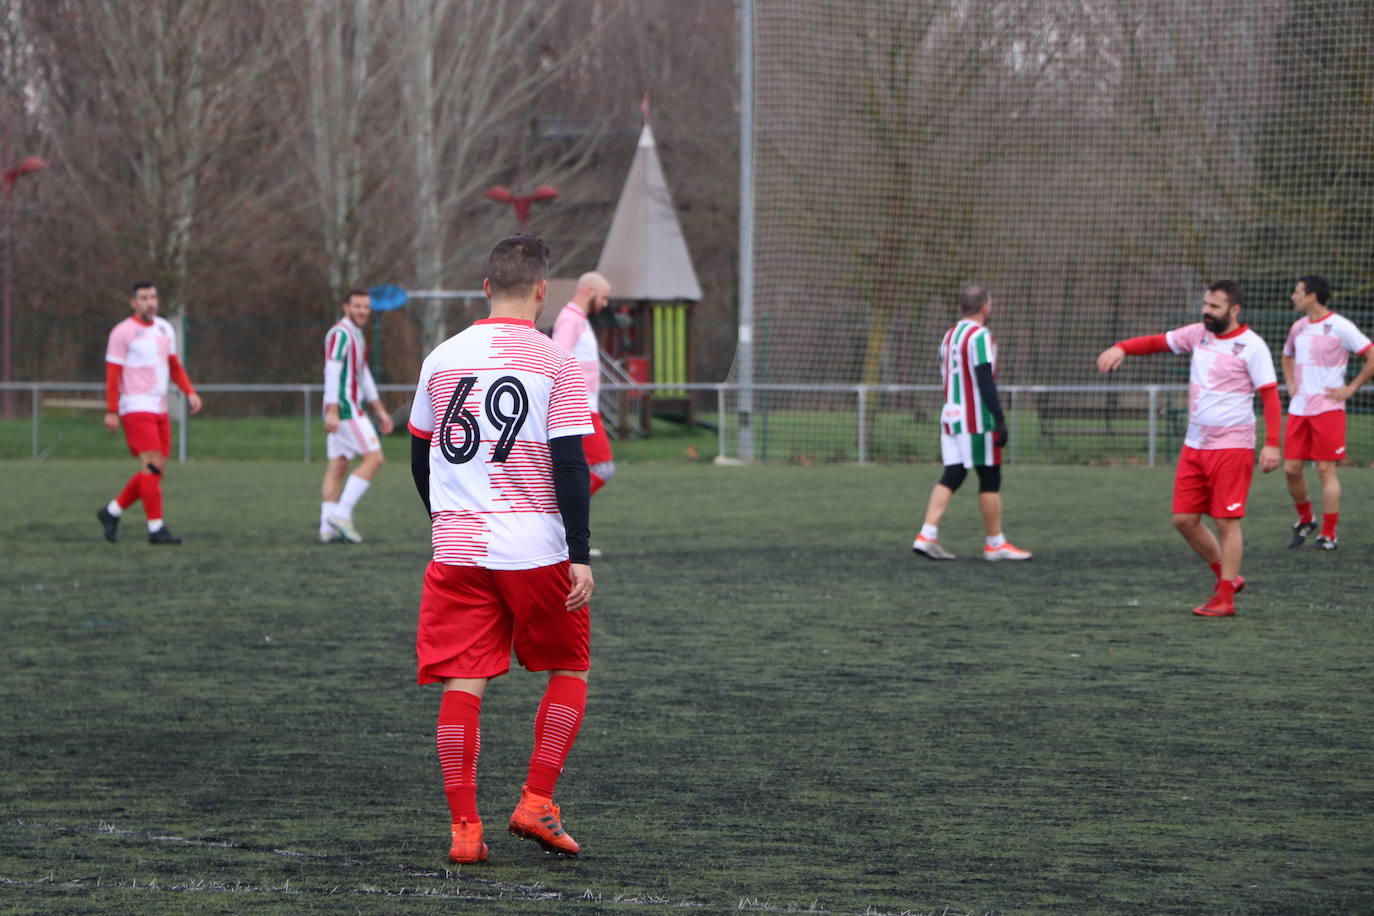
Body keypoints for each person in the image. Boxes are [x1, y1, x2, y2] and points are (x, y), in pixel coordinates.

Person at [407, 235, 595, 864]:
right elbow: (571, 465)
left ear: (485, 289)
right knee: (570, 669)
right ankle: (536, 800)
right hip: (534, 547)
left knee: (464, 680)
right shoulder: (555, 362)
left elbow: (419, 455)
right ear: (543, 291)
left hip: (457, 549)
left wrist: (445, 520)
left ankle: (465, 829)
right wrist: (580, 552)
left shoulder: (441, 357)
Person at [1096, 280, 1281, 617]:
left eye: (1214, 307)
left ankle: (1225, 598)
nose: (1206, 311)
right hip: (1195, 444)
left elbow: (1269, 394)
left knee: (1227, 522)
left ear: (1234, 310)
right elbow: (1157, 342)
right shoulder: (1198, 334)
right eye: (1205, 305)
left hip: (1232, 446)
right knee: (1184, 520)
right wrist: (1122, 347)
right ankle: (1227, 578)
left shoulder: (1252, 347)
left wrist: (1272, 443)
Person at [913, 284, 1032, 562]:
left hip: (950, 416)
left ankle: (926, 535)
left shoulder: (949, 335)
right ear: (985, 307)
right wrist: (999, 419)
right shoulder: (980, 336)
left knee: (954, 473)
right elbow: (983, 379)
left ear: (960, 308)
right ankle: (995, 544)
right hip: (975, 419)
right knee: (990, 476)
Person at [95, 282, 202, 544]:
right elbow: (113, 374)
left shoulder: (165, 327)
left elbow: (174, 365)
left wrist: (189, 391)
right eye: (143, 298)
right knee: (152, 464)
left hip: (160, 406)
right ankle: (156, 529)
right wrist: (112, 410)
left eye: (153, 296)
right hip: (135, 406)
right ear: (134, 302)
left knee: (156, 470)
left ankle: (112, 511)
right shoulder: (123, 332)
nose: (150, 302)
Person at [1280, 275, 1374, 551]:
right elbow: (1287, 355)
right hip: (1299, 409)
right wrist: (1290, 383)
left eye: (1297, 292)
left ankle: (1329, 533)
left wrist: (1351, 388)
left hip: (1329, 409)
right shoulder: (1298, 327)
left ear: (1312, 296)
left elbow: (1371, 355)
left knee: (1324, 469)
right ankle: (1306, 519)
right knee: (1290, 468)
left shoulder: (1341, 326)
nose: (1293, 296)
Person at [319, 289, 393, 543]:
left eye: (366, 307)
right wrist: (332, 410)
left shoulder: (356, 335)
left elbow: (364, 375)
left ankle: (327, 529)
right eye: (357, 306)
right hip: (345, 410)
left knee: (338, 466)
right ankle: (340, 515)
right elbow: (332, 372)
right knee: (375, 458)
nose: (362, 311)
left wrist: (380, 409)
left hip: (344, 409)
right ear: (346, 307)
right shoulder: (341, 334)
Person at [551, 272, 615, 497]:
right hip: (579, 409)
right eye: (604, 297)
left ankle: (559, 509)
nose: (605, 304)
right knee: (603, 467)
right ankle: (558, 508)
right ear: (589, 291)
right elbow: (556, 361)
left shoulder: (579, 319)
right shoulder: (571, 320)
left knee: (586, 468)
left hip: (586, 408)